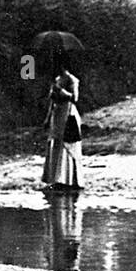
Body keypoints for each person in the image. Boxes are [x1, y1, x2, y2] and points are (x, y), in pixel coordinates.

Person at [42, 59, 83, 189]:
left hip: (68, 114)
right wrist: (48, 118)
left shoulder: (72, 80)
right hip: (57, 115)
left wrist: (62, 91)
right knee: (56, 144)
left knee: (67, 144)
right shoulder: (57, 80)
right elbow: (52, 101)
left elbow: (75, 98)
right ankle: (56, 178)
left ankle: (69, 179)